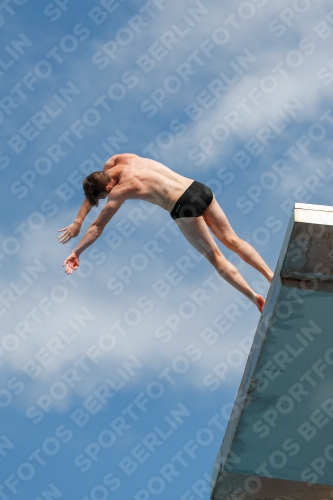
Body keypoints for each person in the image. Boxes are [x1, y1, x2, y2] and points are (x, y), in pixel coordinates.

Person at [59, 153, 274, 312]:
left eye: (105, 196)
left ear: (108, 189)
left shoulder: (119, 191)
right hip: (198, 189)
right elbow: (92, 193)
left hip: (182, 206)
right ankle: (270, 276)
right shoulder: (119, 159)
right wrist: (78, 222)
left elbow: (97, 227)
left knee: (216, 257)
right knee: (232, 240)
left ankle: (254, 297)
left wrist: (76, 252)